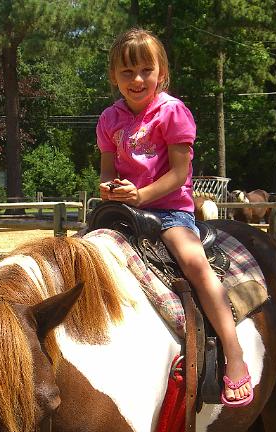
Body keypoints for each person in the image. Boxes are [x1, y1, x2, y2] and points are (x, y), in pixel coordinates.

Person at [96, 28, 252, 407]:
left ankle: (234, 355)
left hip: (168, 211)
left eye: (145, 70)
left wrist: (142, 195)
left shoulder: (171, 112)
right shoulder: (109, 119)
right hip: (124, 211)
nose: (136, 80)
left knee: (195, 264)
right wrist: (109, 189)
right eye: (127, 71)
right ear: (114, 76)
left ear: (161, 73)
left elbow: (180, 174)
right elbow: (105, 170)